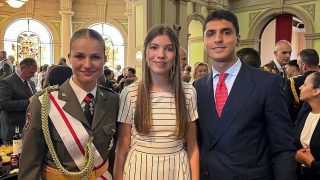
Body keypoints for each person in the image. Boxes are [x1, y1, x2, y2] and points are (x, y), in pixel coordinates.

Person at [194, 9, 296, 180]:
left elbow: (283, 147)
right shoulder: (198, 87)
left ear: (238, 39)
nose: (218, 39)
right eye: (210, 34)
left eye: (226, 32)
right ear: (204, 41)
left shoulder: (267, 83)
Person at [19, 29, 119, 179]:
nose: (87, 64)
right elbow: (30, 165)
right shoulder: (44, 103)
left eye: (95, 57)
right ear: (69, 57)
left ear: (105, 59)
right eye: (79, 56)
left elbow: (114, 153)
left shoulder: (112, 100)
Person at [114, 25, 199, 180]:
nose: (161, 55)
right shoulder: (131, 93)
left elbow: (192, 146)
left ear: (175, 56)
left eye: (169, 49)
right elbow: (122, 147)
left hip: (177, 171)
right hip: (139, 171)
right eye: (154, 47)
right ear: (145, 53)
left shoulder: (188, 92)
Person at [0, 58, 37, 144]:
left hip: (28, 129)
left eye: (34, 72)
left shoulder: (31, 83)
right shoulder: (7, 82)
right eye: (31, 72)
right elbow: (3, 104)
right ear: (22, 68)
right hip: (12, 130)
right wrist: (28, 101)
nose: (33, 75)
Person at [294, 72, 320, 180]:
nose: (300, 87)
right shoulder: (305, 113)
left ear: (316, 91)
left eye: (304, 84)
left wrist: (312, 163)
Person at [284, 49, 319, 123]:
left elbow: (286, 109)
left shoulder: (292, 82)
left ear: (304, 66)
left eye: (299, 64)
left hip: (297, 125)